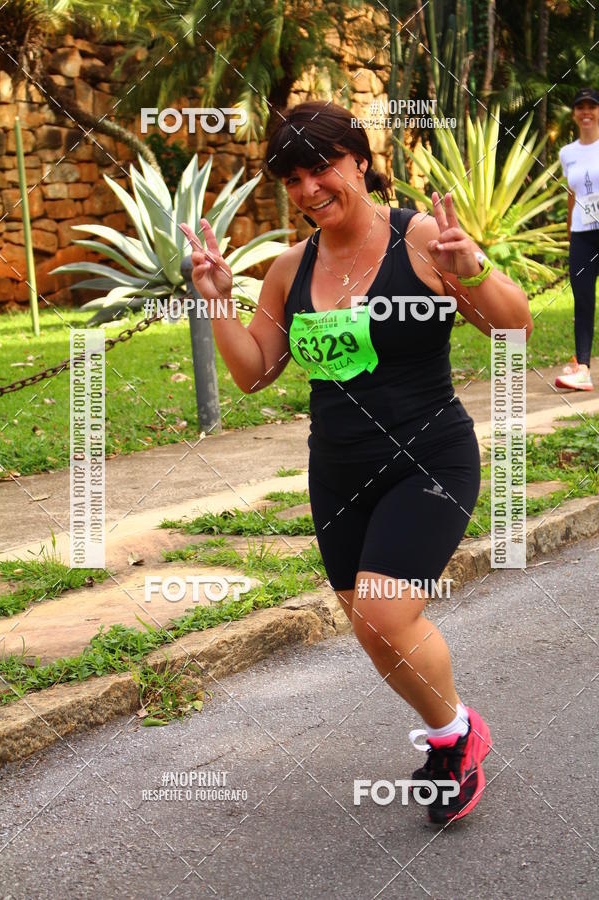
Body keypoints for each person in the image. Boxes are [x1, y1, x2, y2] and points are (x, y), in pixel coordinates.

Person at [182, 100, 533, 825]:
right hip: (338, 470)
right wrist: (217, 303)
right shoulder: (290, 267)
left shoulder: (421, 239)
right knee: (369, 626)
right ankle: (452, 732)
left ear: (360, 162)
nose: (310, 190)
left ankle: (458, 739)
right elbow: (254, 372)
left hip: (429, 456)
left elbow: (514, 325)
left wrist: (473, 270)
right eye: (294, 177)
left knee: (386, 609)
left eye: (323, 168)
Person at [555, 87, 599, 391]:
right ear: (574, 114)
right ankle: (583, 368)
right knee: (582, 300)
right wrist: (570, 229)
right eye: (580, 107)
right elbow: (572, 194)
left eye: (592, 107)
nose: (586, 112)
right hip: (582, 236)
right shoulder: (567, 153)